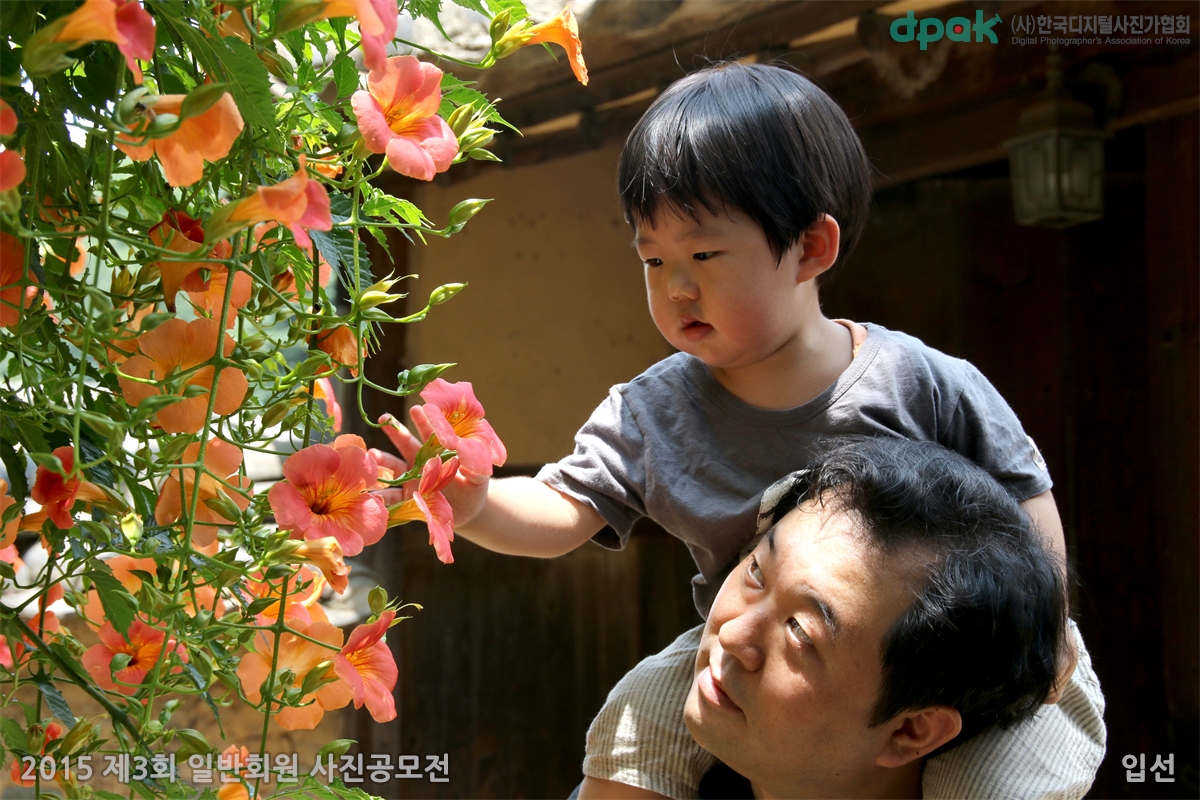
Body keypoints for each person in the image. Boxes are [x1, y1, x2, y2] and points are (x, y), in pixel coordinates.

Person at [373, 61, 1104, 798]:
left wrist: (1047, 633)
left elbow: (1025, 495)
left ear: (811, 248)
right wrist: (476, 504)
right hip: (738, 643)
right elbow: (565, 508)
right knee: (632, 729)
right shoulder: (653, 411)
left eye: (703, 255)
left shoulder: (922, 381)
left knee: (1013, 772)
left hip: (965, 657)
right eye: (653, 260)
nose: (675, 286)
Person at [579, 438, 1104, 800]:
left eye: (800, 632)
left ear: (911, 729)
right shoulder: (639, 777)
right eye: (757, 573)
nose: (733, 635)